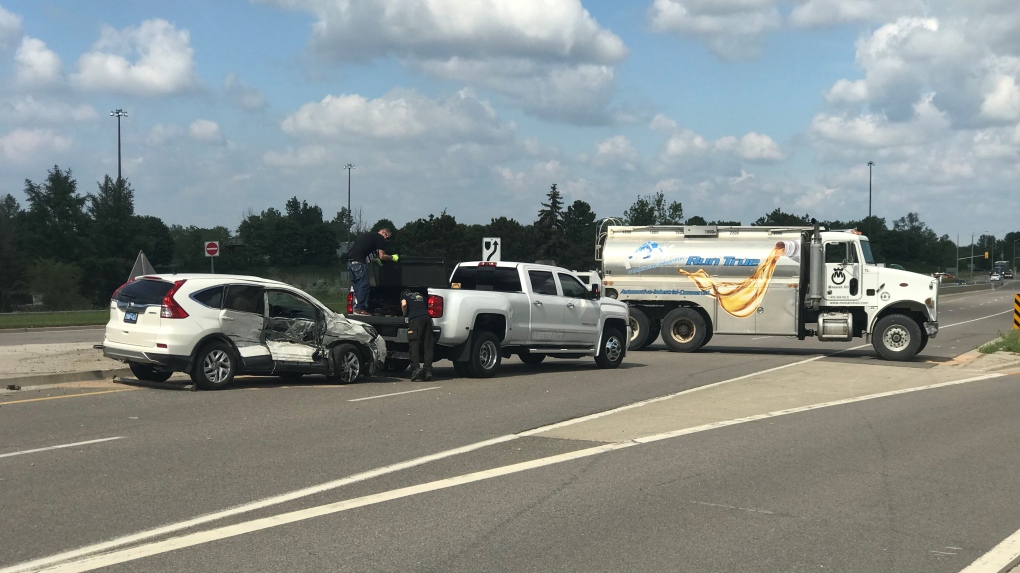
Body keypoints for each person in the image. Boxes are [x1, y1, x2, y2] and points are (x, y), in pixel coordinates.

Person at [346, 228, 398, 316]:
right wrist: (392, 257)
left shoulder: (369, 236)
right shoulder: (379, 237)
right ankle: (360, 309)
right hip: (359, 263)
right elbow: (382, 256)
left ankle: (357, 307)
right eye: (387, 238)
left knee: (357, 286)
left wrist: (375, 259)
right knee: (364, 285)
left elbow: (366, 251)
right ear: (384, 233)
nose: (386, 240)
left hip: (350, 262)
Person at [401, 288, 434, 381]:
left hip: (415, 319)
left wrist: (405, 314)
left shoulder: (404, 295)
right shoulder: (420, 295)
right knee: (428, 344)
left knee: (414, 343)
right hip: (427, 318)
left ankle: (416, 369)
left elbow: (404, 304)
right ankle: (428, 370)